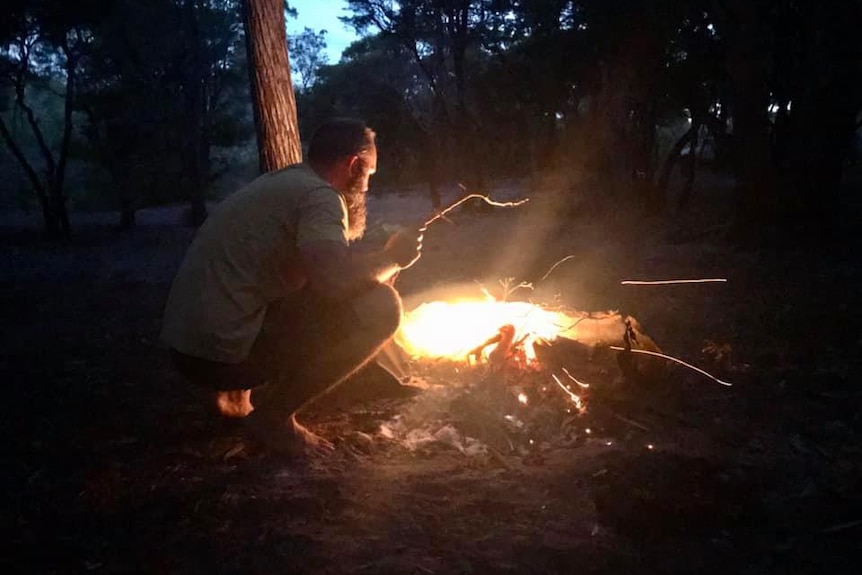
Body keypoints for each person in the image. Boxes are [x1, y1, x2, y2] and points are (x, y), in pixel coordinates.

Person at [160, 118, 423, 456]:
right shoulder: (321, 197)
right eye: (370, 174)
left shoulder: (285, 183)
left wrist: (377, 259)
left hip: (187, 351)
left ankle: (234, 398)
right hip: (219, 359)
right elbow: (335, 282)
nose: (367, 187)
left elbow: (305, 268)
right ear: (354, 164)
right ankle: (273, 417)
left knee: (307, 290)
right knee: (381, 307)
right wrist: (395, 258)